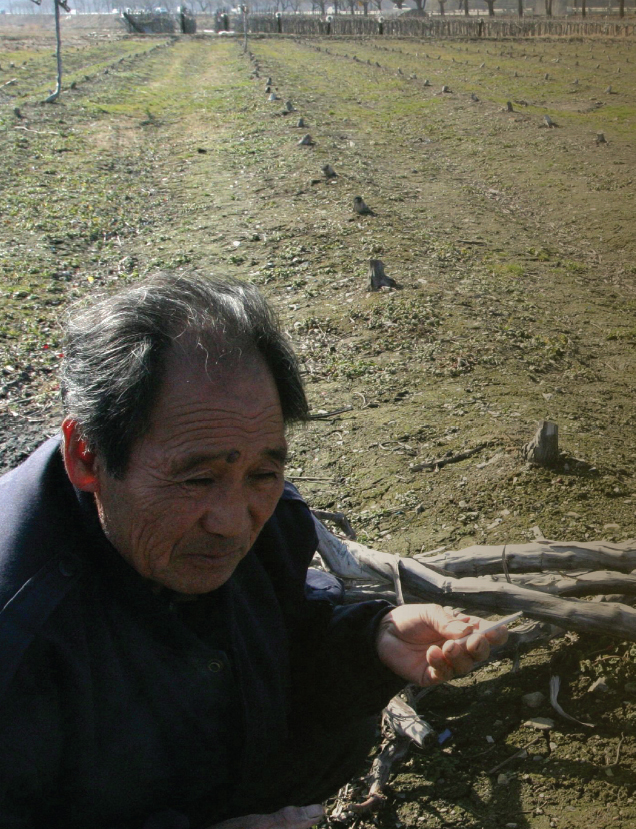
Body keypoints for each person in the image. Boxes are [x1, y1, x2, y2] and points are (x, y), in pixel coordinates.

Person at [0, 273, 506, 829]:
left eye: (264, 471)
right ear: (88, 458)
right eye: (196, 480)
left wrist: (370, 643)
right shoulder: (19, 631)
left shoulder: (263, 516)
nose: (234, 522)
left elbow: (273, 640)